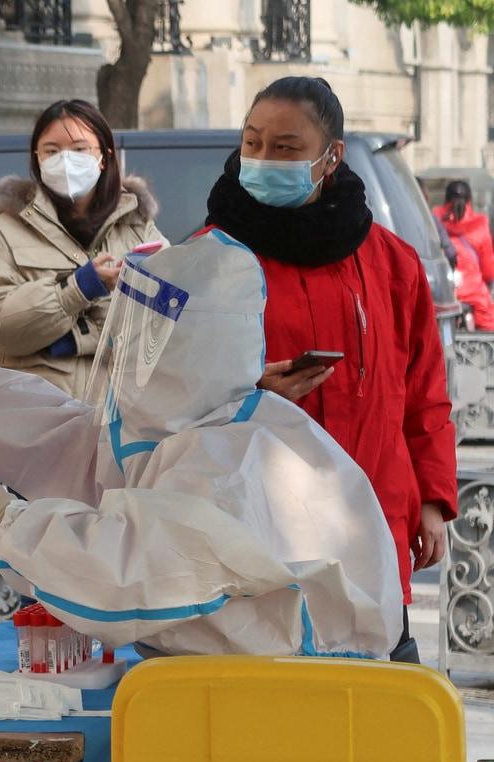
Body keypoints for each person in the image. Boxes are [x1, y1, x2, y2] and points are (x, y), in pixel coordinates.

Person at [0, 230, 403, 659]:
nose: (122, 345)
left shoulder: (231, 459)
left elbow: (129, 567)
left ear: (190, 345)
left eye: (143, 332)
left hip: (300, 703)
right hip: (250, 686)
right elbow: (73, 440)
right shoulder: (202, 425)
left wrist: (11, 524)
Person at [204, 76, 457, 662]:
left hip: (375, 522)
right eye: (252, 143)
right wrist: (248, 390)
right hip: (259, 535)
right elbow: (169, 396)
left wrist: (433, 497)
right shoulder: (209, 258)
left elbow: (423, 390)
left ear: (330, 157)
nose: (263, 159)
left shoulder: (391, 261)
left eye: (286, 148)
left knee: (378, 715)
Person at [0, 99, 165, 397]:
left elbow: (170, 319)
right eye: (52, 150)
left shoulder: (139, 228)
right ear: (37, 158)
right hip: (35, 417)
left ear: (103, 156)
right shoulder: (1, 235)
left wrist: (70, 340)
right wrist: (80, 288)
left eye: (79, 149)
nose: (65, 160)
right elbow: (2, 328)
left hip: (121, 419)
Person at [434, 179, 494, 330]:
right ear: (470, 200)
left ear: (446, 199)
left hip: (444, 291)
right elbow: (488, 268)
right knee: (488, 323)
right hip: (473, 293)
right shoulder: (480, 223)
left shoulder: (435, 220)